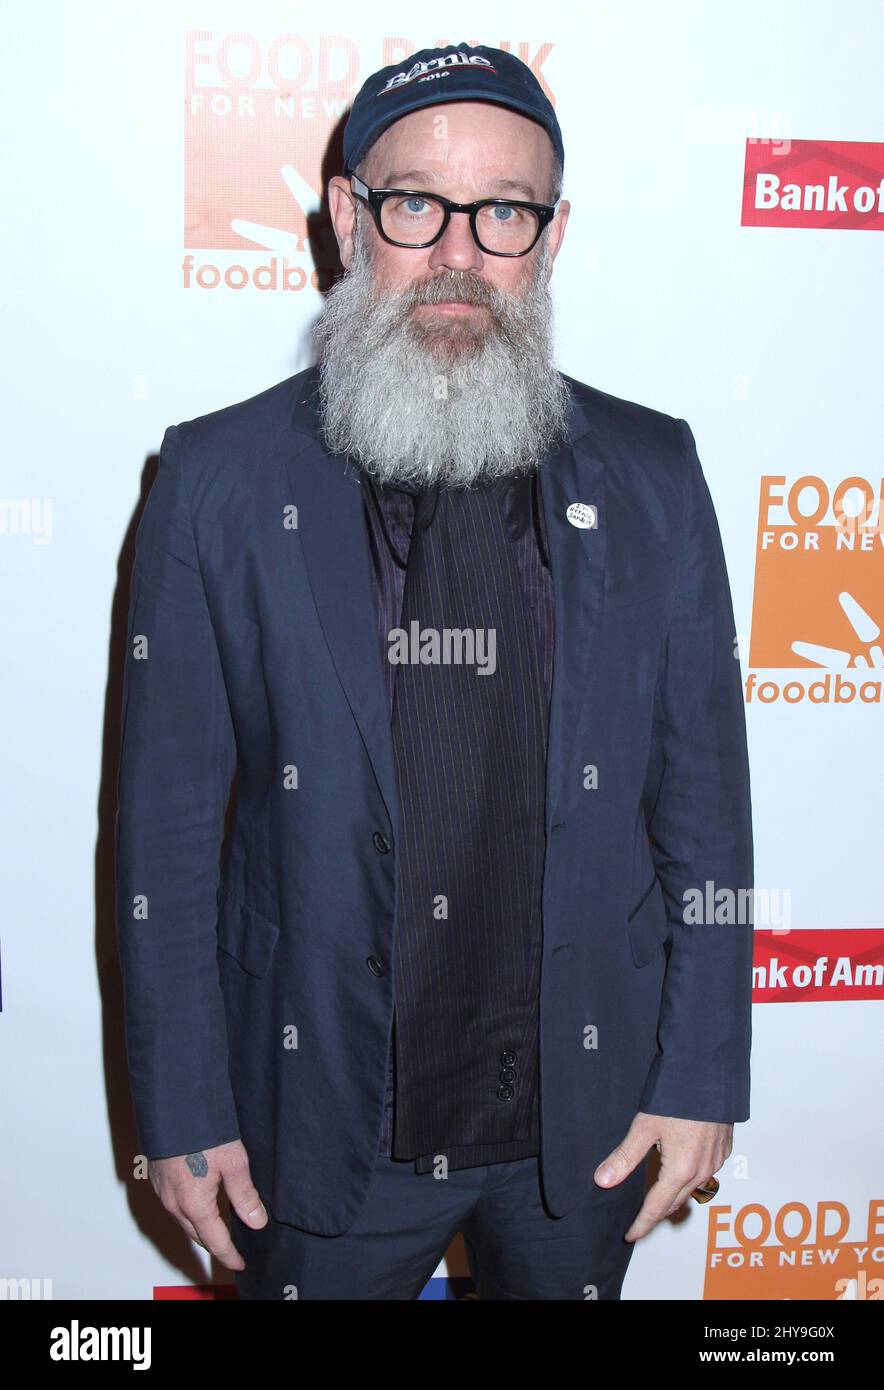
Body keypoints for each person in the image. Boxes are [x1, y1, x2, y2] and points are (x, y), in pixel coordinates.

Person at [115, 42, 754, 1300]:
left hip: (584, 1117)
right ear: (350, 218)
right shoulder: (214, 484)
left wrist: (700, 1069)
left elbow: (704, 812)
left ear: (551, 235)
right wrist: (181, 1105)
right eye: (415, 204)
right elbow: (166, 839)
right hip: (319, 1114)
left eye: (502, 212)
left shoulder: (653, 474)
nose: (456, 253)